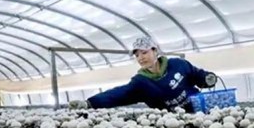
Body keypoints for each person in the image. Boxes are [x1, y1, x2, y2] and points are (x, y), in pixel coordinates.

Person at [73, 36, 218, 112]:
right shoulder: (140, 83)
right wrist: (90, 103)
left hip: (200, 110)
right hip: (174, 122)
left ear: (155, 51)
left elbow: (197, 75)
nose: (141, 58)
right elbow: (117, 94)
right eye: (137, 55)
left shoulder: (178, 64)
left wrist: (207, 78)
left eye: (144, 52)